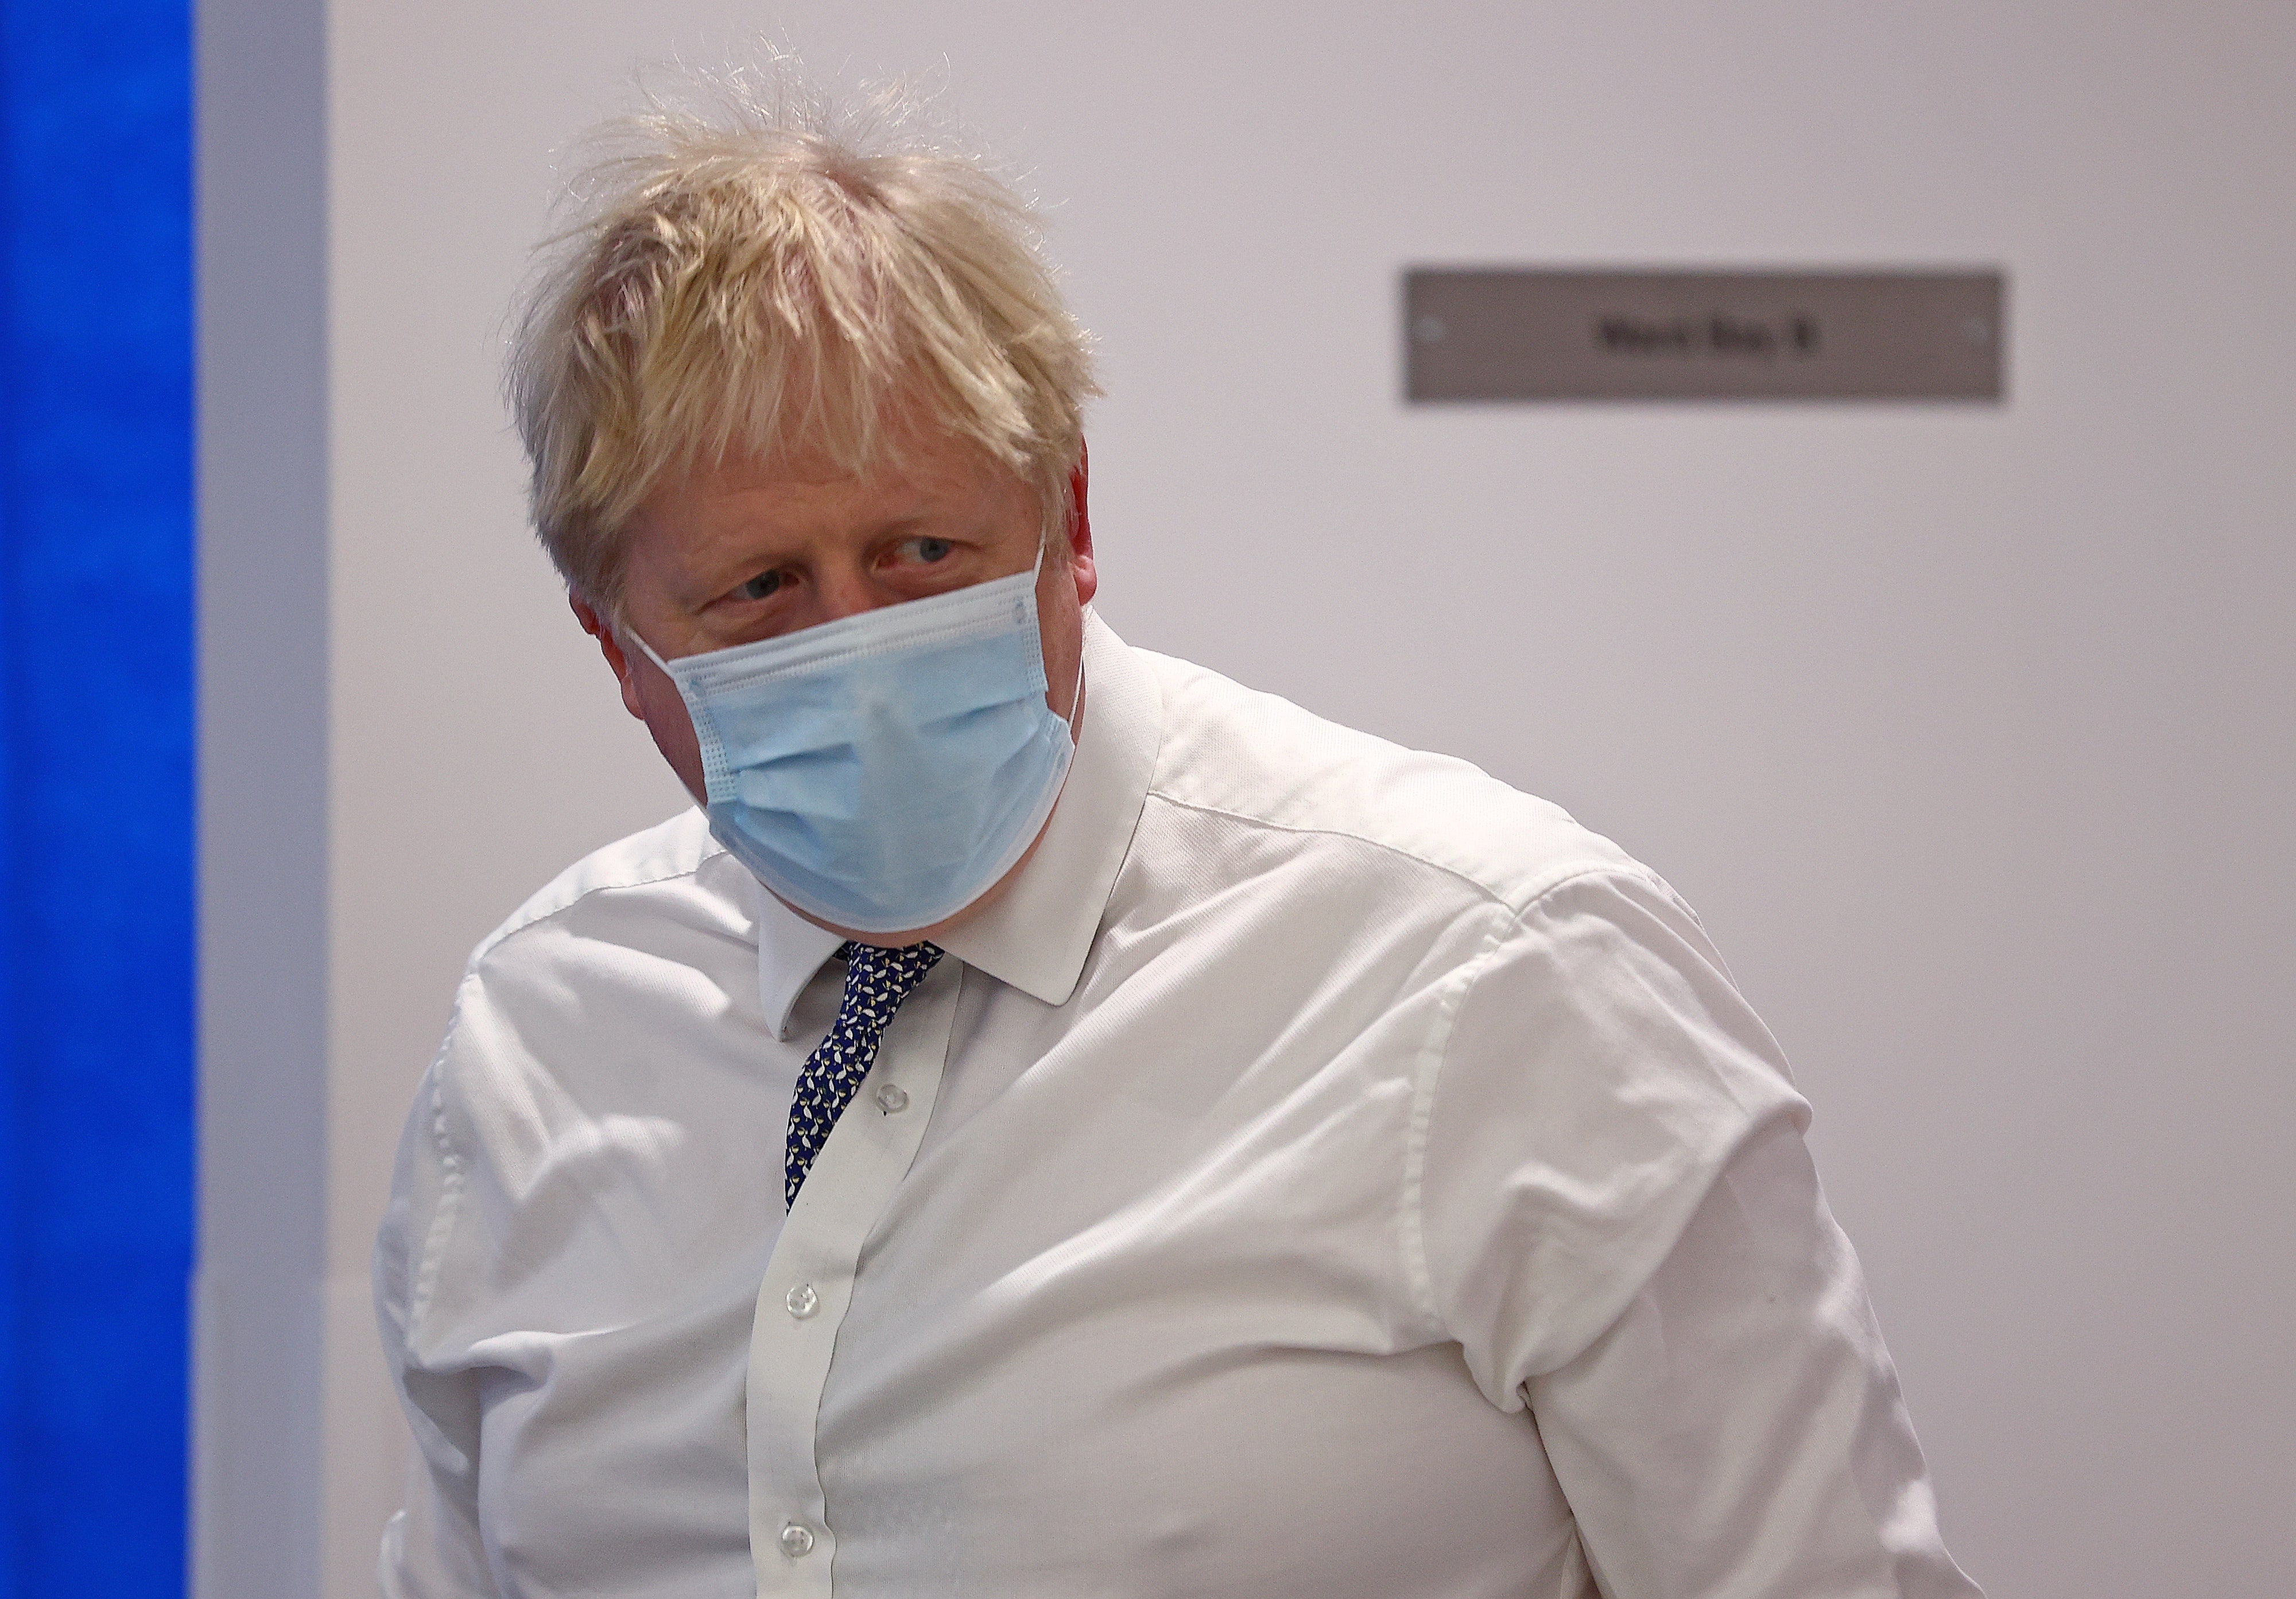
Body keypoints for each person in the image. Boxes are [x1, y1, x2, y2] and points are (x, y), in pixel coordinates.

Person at [374, 64, 1982, 1599]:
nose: (858, 644)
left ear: (1071, 522)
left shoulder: (1492, 974)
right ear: (617, 645)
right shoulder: (541, 1040)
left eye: (924, 550)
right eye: (760, 594)